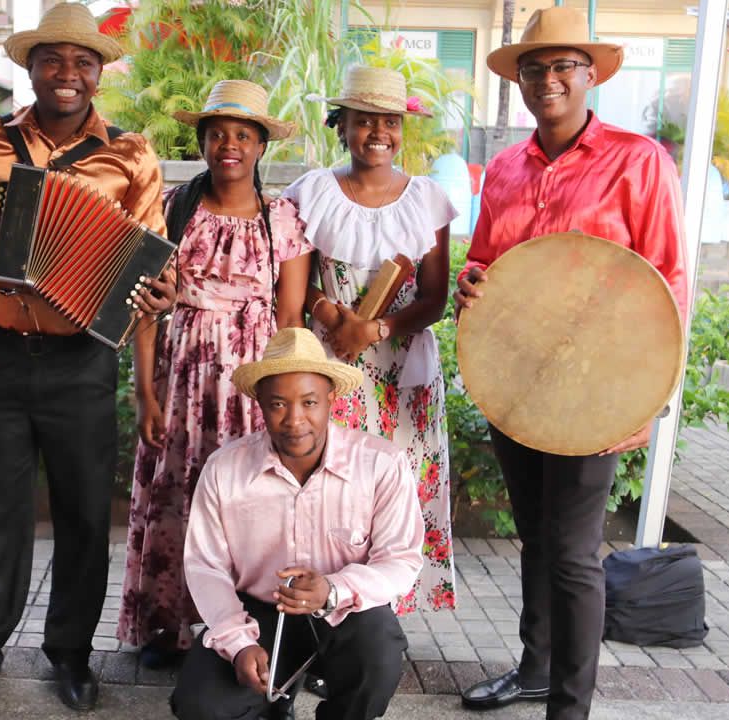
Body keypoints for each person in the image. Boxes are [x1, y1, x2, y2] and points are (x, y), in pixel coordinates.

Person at [0, 3, 173, 711]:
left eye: (82, 62)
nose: (68, 74)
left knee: (85, 515)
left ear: (99, 73)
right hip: (4, 353)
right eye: (52, 60)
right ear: (30, 68)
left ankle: (69, 654)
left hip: (82, 360)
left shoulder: (132, 154)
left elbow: (152, 262)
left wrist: (158, 295)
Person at [454, 9, 687, 719]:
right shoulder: (502, 168)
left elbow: (669, 281)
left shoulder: (638, 160)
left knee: (574, 552)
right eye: (534, 67)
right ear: (519, 79)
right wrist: (471, 280)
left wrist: (644, 397)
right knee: (536, 536)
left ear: (590, 75)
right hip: (519, 381)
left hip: (597, 392)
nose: (548, 79)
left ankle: (569, 706)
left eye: (563, 66)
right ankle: (534, 667)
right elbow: (486, 262)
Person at [118, 79, 312, 669]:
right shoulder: (173, 208)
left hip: (254, 385)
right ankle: (171, 626)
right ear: (202, 141)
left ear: (260, 147)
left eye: (244, 135)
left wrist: (283, 403)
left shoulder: (282, 219)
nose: (230, 144)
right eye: (219, 134)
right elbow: (147, 309)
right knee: (179, 494)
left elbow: (291, 320)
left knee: (251, 503)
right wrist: (146, 394)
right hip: (183, 381)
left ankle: (253, 631)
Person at [169, 327, 423, 720]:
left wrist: (332, 588)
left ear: (331, 400)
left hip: (346, 613)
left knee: (379, 651)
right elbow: (206, 568)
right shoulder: (225, 469)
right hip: (260, 614)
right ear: (260, 404)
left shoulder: (381, 464)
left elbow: (401, 561)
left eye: (309, 402)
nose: (294, 419)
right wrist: (238, 644)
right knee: (201, 706)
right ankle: (275, 706)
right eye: (278, 405)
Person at [283, 64, 458, 615]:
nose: (378, 133)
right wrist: (331, 313)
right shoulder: (311, 192)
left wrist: (378, 327)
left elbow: (434, 298)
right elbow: (289, 278)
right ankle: (324, 614)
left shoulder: (428, 199)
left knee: (399, 489)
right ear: (340, 125)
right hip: (332, 365)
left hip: (401, 375)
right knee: (334, 490)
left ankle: (379, 617)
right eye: (363, 121)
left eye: (389, 121)